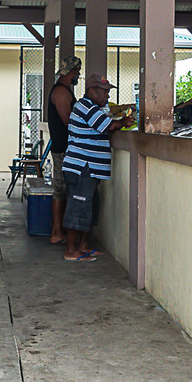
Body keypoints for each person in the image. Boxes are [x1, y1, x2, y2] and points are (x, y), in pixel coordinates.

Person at [60, 73, 130, 261]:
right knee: (78, 207)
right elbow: (106, 126)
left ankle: (83, 245)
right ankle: (70, 250)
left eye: (108, 92)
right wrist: (123, 122)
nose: (107, 96)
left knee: (89, 207)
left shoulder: (92, 108)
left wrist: (118, 123)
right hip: (81, 167)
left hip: (89, 168)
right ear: (91, 91)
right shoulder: (85, 106)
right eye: (104, 92)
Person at [46, 55, 81, 244]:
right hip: (62, 149)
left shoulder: (63, 90)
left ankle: (57, 229)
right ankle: (57, 232)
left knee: (62, 190)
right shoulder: (61, 92)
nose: (79, 75)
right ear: (72, 72)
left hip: (63, 147)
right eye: (77, 71)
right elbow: (68, 121)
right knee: (60, 190)